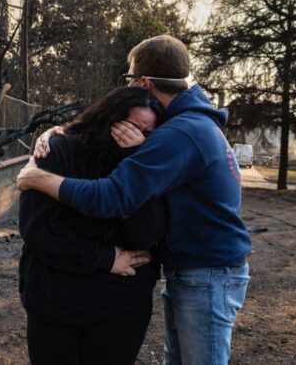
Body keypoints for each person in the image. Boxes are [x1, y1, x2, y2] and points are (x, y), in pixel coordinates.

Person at [17, 35, 252, 365]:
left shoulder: (179, 133)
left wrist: (39, 178)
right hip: (199, 269)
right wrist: (59, 132)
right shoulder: (183, 122)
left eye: (130, 78)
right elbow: (107, 117)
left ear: (144, 82)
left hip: (207, 273)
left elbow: (114, 196)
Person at [19, 87, 166, 365]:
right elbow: (39, 230)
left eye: (147, 134)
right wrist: (105, 257)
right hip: (56, 301)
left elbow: (144, 235)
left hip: (119, 306)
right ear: (109, 118)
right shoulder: (58, 150)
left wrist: (135, 158)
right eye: (132, 127)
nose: (137, 137)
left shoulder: (145, 164)